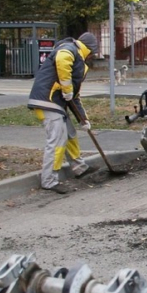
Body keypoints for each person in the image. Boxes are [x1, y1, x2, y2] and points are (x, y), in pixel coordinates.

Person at [27, 32, 99, 194]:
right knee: (57, 140)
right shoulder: (70, 49)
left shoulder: (79, 62)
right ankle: (49, 180)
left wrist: (83, 120)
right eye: (93, 52)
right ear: (89, 49)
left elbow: (74, 97)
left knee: (70, 135)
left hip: (56, 104)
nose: (93, 56)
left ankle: (79, 167)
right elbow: (61, 59)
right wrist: (67, 88)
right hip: (47, 100)